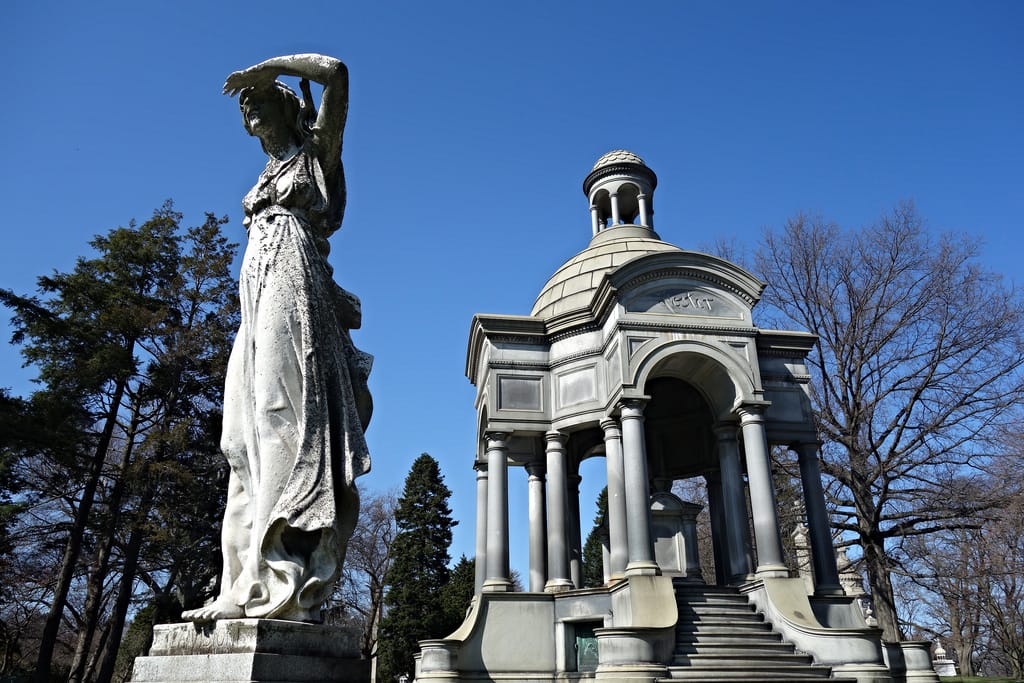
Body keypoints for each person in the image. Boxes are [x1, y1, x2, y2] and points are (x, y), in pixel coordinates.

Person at [183, 54, 371, 623]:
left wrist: (267, 68)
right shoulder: (266, 176)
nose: (249, 105)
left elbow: (336, 73)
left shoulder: (316, 157)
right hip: (257, 284)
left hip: (293, 277)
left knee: (277, 412)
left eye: (260, 98)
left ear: (287, 109)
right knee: (238, 439)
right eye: (247, 102)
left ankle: (272, 582)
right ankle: (237, 582)